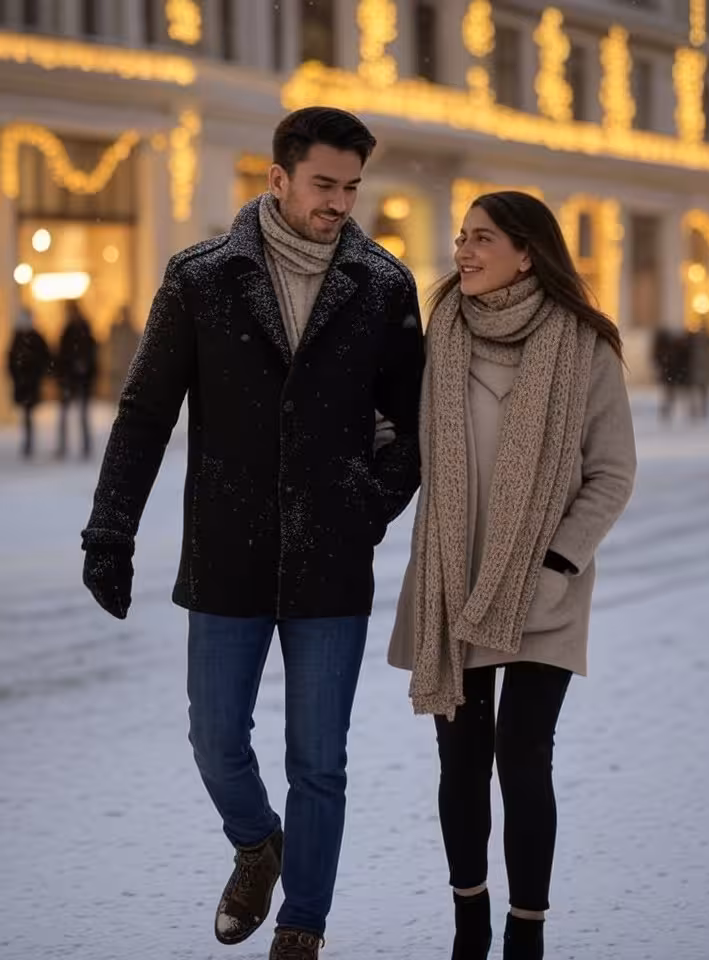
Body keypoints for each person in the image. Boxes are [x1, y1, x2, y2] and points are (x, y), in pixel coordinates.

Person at [81, 107, 424, 960]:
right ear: (277, 179)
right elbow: (145, 411)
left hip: (331, 560)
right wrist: (110, 532)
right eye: (324, 184)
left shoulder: (384, 285)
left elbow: (416, 422)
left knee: (320, 760)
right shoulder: (201, 276)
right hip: (227, 552)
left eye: (351, 186)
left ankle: (303, 923)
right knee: (215, 738)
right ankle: (256, 845)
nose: (339, 202)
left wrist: (370, 499)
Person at [388, 191, 636, 960]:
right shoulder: (441, 335)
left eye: (482, 239)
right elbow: (400, 430)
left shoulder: (585, 346)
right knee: (459, 759)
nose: (463, 250)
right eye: (462, 237)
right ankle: (469, 921)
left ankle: (526, 932)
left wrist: (560, 561)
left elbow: (612, 473)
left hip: (543, 585)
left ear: (528, 253)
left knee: (522, 751)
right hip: (452, 578)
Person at [55, 300, 98, 458]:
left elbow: (90, 352)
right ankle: (65, 446)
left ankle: (84, 446)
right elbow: (62, 355)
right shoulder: (71, 330)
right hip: (71, 379)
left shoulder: (81, 329)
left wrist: (84, 367)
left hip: (79, 379)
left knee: (81, 414)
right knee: (67, 414)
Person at [6, 306, 51, 458]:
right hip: (23, 382)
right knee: (26, 413)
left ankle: (29, 442)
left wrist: (36, 374)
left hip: (30, 382)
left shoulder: (32, 338)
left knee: (28, 412)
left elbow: (44, 357)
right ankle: (27, 442)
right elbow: (11, 360)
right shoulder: (19, 338)